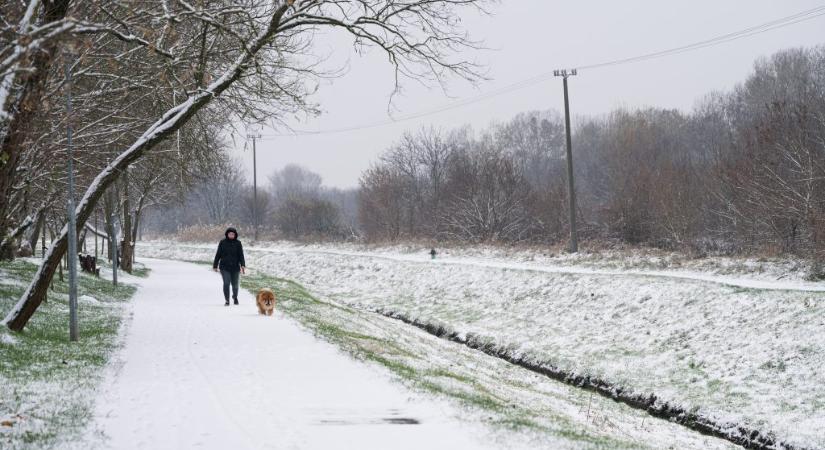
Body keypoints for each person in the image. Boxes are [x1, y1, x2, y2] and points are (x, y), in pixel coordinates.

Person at [213, 227, 246, 306]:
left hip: (235, 267)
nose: (231, 235)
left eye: (233, 234)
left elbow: (241, 255)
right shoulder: (222, 242)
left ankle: (235, 297)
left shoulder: (238, 243)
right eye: (230, 234)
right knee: (226, 283)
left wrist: (243, 265)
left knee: (235, 284)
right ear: (227, 234)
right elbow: (218, 254)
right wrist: (215, 265)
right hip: (224, 267)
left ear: (235, 235)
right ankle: (227, 300)